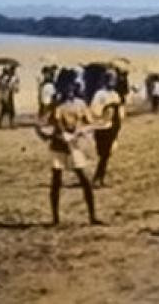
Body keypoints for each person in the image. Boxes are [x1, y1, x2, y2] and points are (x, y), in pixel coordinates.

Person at [34, 72, 103, 226]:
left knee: (85, 181)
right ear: (61, 87)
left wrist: (82, 131)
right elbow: (39, 124)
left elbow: (91, 123)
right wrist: (47, 136)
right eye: (65, 85)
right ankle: (55, 219)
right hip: (58, 148)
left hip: (74, 146)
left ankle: (92, 216)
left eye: (71, 84)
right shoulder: (55, 106)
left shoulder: (80, 104)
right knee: (56, 182)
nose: (69, 88)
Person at [90, 71, 123, 188]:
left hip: (112, 127)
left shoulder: (115, 94)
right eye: (110, 79)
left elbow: (120, 112)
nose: (112, 81)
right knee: (103, 154)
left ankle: (99, 178)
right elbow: (94, 110)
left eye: (114, 79)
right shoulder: (100, 94)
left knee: (107, 154)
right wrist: (106, 107)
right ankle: (97, 178)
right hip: (101, 127)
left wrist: (118, 126)